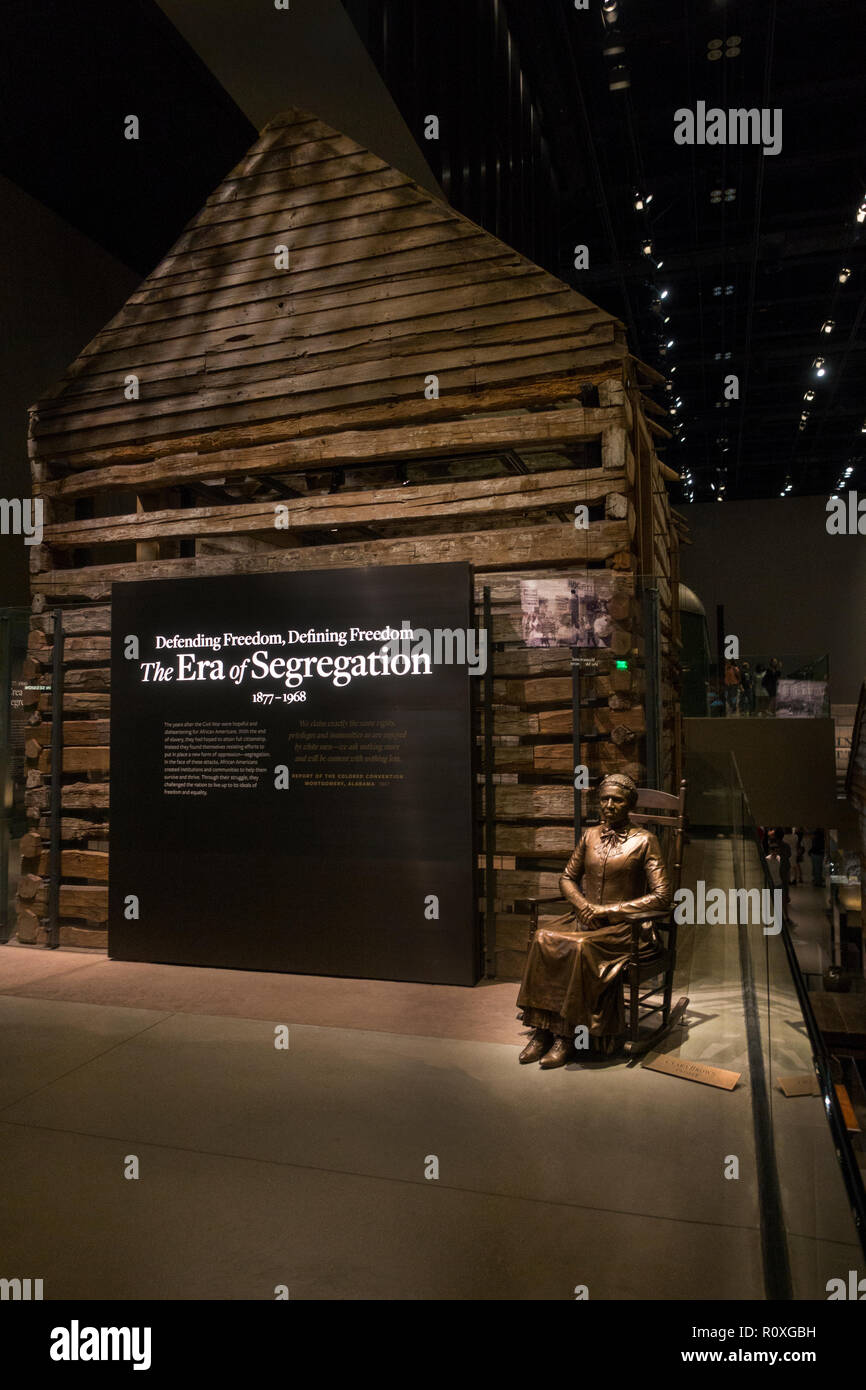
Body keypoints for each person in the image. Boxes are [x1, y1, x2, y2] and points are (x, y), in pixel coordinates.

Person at [516, 774, 672, 1068]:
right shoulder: (589, 836)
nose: (609, 805)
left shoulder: (645, 841)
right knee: (543, 938)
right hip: (586, 918)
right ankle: (542, 1029)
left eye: (617, 800)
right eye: (604, 799)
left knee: (578, 948)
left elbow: (663, 896)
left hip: (627, 929)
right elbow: (567, 878)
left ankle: (567, 1036)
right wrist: (584, 905)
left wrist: (608, 911)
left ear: (629, 805)